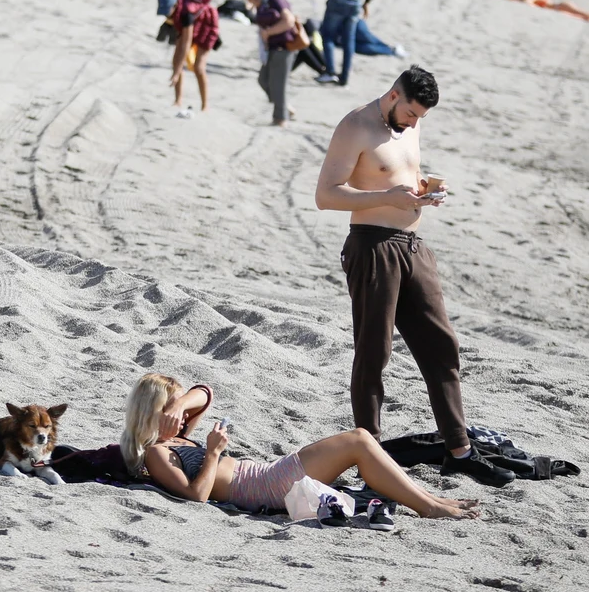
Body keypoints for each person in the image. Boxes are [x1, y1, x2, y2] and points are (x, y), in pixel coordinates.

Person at [314, 68, 513, 487]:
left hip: (413, 246)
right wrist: (388, 197)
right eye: (409, 112)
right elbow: (326, 194)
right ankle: (370, 455)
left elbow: (398, 177)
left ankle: (459, 449)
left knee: (442, 344)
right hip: (372, 246)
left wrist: (424, 192)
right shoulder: (356, 126)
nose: (414, 122)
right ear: (392, 95)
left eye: (421, 116)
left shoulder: (409, 125)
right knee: (374, 353)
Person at [120, 373, 480, 520]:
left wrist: (179, 404)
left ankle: (432, 502)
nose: (180, 419)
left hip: (266, 474)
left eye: (177, 411)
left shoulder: (178, 433)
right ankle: (429, 507)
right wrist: (213, 452)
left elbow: (205, 392)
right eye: (168, 411)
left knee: (360, 441)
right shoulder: (156, 451)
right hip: (264, 486)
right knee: (358, 440)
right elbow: (195, 496)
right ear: (150, 413)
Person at [240, 0, 300, 126]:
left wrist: (269, 32)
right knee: (263, 79)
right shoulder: (262, 4)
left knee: (278, 84)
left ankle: (280, 118)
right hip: (271, 49)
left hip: (284, 47)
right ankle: (284, 107)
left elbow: (289, 20)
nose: (248, 1)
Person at [167, 0, 219, 115]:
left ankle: (205, 106)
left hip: (207, 28)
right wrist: (176, 69)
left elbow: (186, 44)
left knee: (198, 67)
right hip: (193, 26)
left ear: (174, 6)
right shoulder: (177, 9)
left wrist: (177, 73)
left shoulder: (187, 14)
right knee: (175, 61)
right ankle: (178, 101)